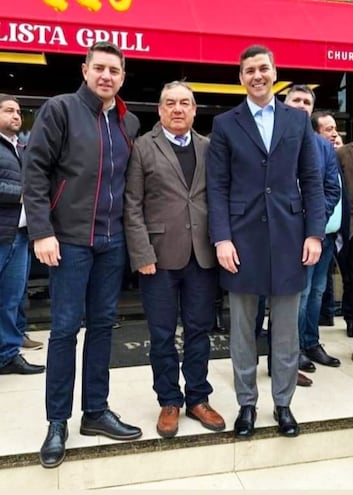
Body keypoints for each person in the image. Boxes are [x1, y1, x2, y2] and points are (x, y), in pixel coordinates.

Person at [23, 41, 142, 469]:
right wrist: (41, 231)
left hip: (111, 243)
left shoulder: (128, 123)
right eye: (100, 68)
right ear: (85, 69)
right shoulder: (60, 109)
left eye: (115, 70)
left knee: (104, 328)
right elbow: (34, 170)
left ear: (123, 76)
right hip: (69, 240)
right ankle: (57, 421)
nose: (107, 76)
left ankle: (95, 412)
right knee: (64, 331)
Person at [206, 45, 325, 439]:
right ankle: (247, 404)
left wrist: (314, 232)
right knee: (242, 329)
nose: (257, 75)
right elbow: (218, 187)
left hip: (291, 237)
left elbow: (311, 180)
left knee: (287, 329)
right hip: (241, 239)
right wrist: (221, 238)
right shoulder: (225, 124)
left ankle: (284, 404)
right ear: (240, 78)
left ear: (275, 73)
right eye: (249, 70)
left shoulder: (297, 120)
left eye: (263, 68)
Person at [124, 81, 225, 439]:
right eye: (170, 103)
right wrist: (141, 253)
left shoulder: (210, 147)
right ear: (161, 109)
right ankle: (169, 399)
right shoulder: (142, 148)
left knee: (200, 331)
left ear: (195, 110)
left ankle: (198, 397)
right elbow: (132, 204)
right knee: (162, 334)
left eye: (185, 103)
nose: (178, 109)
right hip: (158, 258)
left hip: (202, 255)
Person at [284, 86, 341, 371]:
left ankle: (310, 341)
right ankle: (291, 349)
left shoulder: (322, 146)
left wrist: (315, 222)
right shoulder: (275, 138)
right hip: (289, 235)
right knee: (301, 293)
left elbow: (331, 188)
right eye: (296, 100)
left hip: (321, 234)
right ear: (285, 103)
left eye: (307, 102)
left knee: (317, 291)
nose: (301, 105)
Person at [0, 94, 45, 376]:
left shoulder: (20, 148)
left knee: (11, 298)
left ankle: (7, 354)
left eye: (18, 111)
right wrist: (24, 194)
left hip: (19, 235)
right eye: (8, 111)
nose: (16, 116)